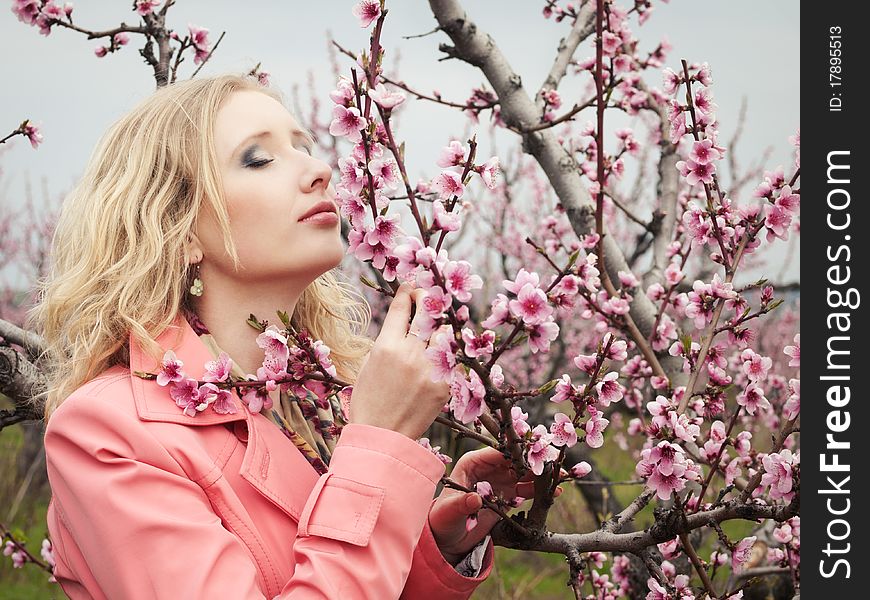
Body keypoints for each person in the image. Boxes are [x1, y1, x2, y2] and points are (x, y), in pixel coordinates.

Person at [28, 73, 549, 599]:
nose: (320, 170)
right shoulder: (109, 432)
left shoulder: (314, 402)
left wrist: (433, 548)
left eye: (304, 147)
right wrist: (379, 443)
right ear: (179, 230)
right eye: (258, 158)